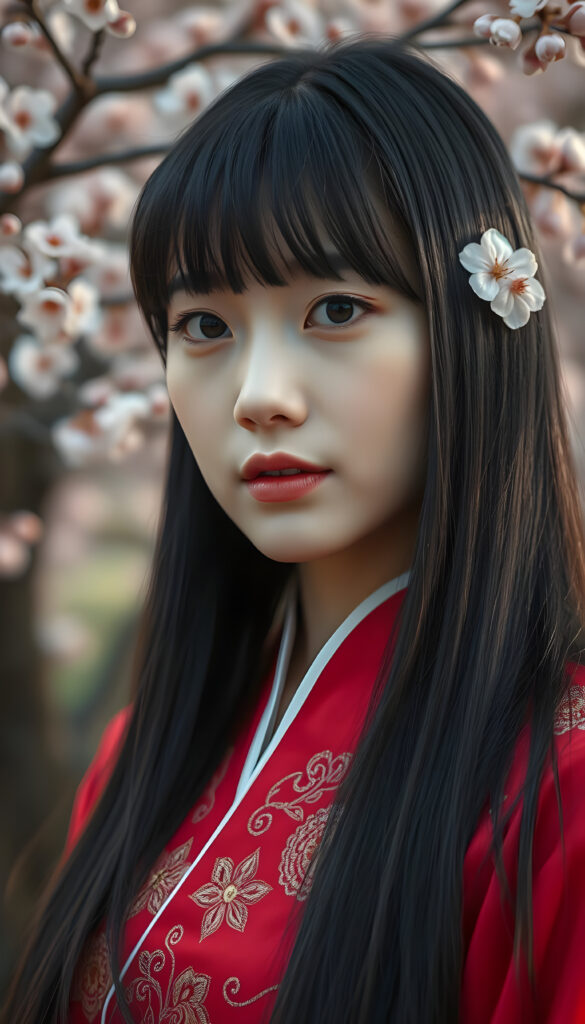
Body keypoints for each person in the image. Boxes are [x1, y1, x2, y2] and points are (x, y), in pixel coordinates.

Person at [3, 34, 585, 1024]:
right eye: (205, 326)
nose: (260, 396)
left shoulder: (559, 784)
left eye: (336, 307)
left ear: (474, 329)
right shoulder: (145, 752)